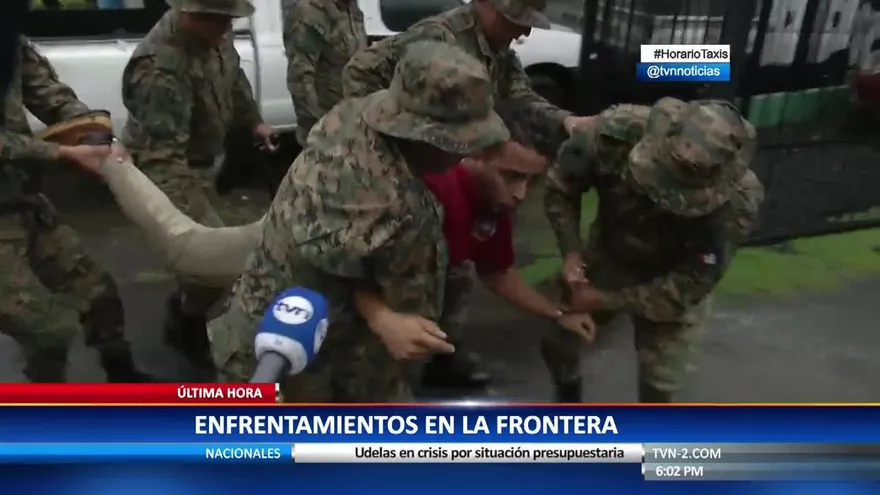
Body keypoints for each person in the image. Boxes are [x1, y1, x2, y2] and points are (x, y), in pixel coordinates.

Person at [209, 41, 510, 401]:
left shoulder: (357, 114)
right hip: (295, 364)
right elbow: (334, 274)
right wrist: (387, 319)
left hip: (335, 348)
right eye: (461, 141)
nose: (467, 151)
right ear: (425, 134)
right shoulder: (383, 197)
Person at [342, 0, 595, 386]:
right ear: (487, 6)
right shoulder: (438, 41)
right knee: (396, 261)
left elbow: (520, 97)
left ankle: (439, 349)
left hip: (456, 154)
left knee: (455, 266)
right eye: (517, 21)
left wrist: (566, 120)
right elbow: (380, 90)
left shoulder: (497, 51)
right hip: (400, 147)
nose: (524, 32)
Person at [543, 97, 765, 403]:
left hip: (671, 276)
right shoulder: (614, 132)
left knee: (658, 385)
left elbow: (688, 286)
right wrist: (571, 253)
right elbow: (561, 187)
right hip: (609, 255)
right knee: (559, 342)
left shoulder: (738, 202)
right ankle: (568, 413)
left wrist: (603, 299)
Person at [120, 0, 276, 370]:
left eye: (228, 20)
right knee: (214, 265)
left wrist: (252, 122)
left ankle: (189, 310)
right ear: (191, 15)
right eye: (219, 21)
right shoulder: (160, 69)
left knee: (212, 266)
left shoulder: (213, 34)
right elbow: (163, 161)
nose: (226, 29)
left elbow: (233, 78)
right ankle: (188, 325)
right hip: (170, 169)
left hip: (204, 160)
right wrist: (194, 226)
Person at [354, 140, 597, 374]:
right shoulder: (427, 192)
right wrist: (383, 320)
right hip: (358, 275)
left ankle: (443, 353)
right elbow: (350, 265)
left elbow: (496, 272)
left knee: (459, 274)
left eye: (533, 180)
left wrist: (559, 314)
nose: (521, 194)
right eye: (511, 176)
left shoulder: (492, 201)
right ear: (475, 156)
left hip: (418, 267)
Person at [0, 36, 154, 382]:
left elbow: (50, 94)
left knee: (98, 292)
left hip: (24, 203)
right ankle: (47, 416)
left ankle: (123, 379)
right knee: (47, 331)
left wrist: (93, 138)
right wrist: (61, 153)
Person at [283, 0, 367, 145]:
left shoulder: (349, 9)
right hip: (328, 131)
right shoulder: (312, 12)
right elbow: (300, 77)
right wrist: (319, 127)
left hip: (354, 123)